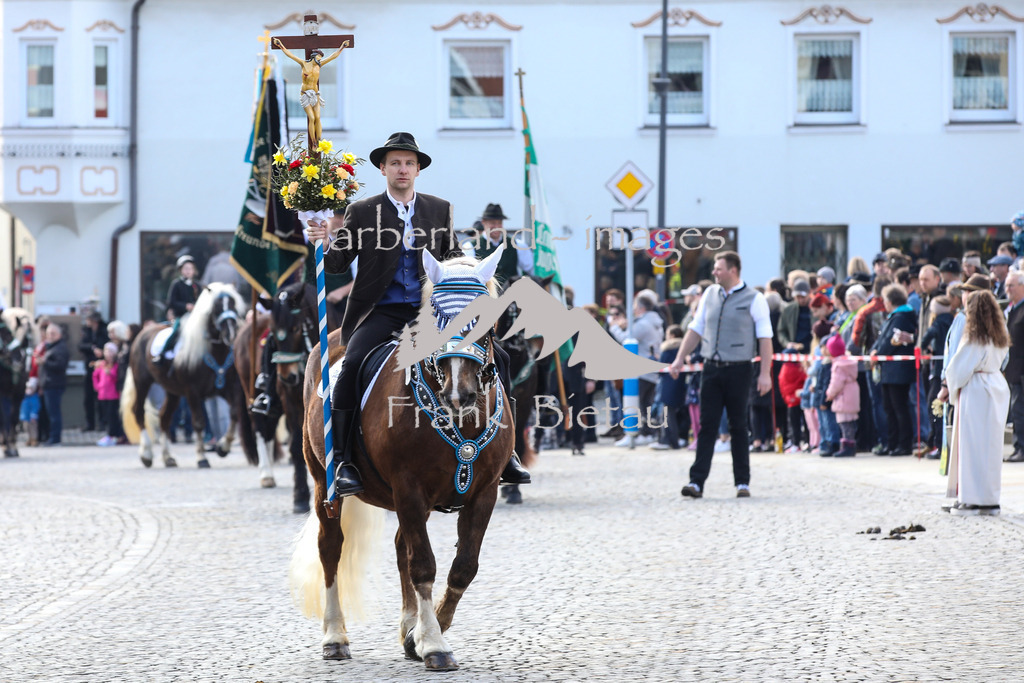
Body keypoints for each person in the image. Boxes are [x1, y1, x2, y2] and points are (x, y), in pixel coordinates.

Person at [305, 131, 529, 495]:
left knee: (499, 358)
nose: (402, 169)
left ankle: (509, 453)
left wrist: (470, 278)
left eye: (409, 163)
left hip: (433, 313)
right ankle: (345, 462)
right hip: (379, 313)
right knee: (348, 369)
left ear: (418, 170)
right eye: (395, 163)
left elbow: (453, 257)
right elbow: (336, 263)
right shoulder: (361, 211)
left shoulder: (439, 209)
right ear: (383, 168)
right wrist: (319, 240)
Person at [668, 251, 774, 499]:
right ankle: (696, 482)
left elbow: (765, 338)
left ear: (733, 270)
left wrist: (765, 374)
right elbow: (696, 328)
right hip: (712, 367)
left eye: (719, 268)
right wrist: (678, 357)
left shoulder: (754, 298)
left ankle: (742, 482)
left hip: (740, 368)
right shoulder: (710, 294)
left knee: (738, 425)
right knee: (707, 425)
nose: (714, 272)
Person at [945, 290, 1011, 515]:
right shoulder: (999, 336)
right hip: (996, 386)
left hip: (977, 389)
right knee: (991, 447)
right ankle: (990, 496)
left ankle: (972, 497)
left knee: (972, 445)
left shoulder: (974, 338)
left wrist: (950, 388)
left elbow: (959, 368)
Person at [608, 291, 664, 446]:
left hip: (641, 370)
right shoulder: (655, 322)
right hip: (650, 369)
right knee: (646, 404)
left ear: (640, 307)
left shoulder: (644, 324)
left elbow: (627, 340)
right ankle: (647, 432)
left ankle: (637, 432)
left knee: (637, 404)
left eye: (634, 305)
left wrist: (614, 328)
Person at [870, 284, 917, 456]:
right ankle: (892, 442)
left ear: (889, 301)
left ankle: (903, 444)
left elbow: (890, 340)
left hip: (899, 371)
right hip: (890, 371)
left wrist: (878, 353)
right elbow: (882, 338)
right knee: (889, 407)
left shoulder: (901, 317)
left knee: (899, 407)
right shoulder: (894, 317)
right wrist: (875, 351)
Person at [273, 38, 349, 145]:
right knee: (312, 117)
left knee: (318, 117)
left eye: (321, 57)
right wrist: (281, 45)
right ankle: (313, 142)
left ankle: (318, 141)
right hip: (305, 94)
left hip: (315, 94)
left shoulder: (319, 65)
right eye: (319, 56)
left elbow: (333, 56)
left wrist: (342, 47)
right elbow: (291, 55)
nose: (320, 58)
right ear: (314, 56)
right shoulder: (304, 64)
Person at [920, 296, 954, 459]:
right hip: (947, 367)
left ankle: (939, 446)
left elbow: (926, 337)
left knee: (934, 405)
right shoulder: (953, 320)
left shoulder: (938, 322)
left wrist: (925, 347)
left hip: (939, 369)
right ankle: (939, 444)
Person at [467, 203, 533, 285]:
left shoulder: (517, 245)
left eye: (499, 223)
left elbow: (532, 269)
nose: (497, 226)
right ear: (484, 222)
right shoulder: (470, 248)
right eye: (493, 223)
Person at [158, 254, 201, 366]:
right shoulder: (176, 284)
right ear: (181, 270)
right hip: (181, 316)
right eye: (185, 269)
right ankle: (162, 353)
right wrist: (185, 306)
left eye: (190, 268)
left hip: (195, 317)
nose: (188, 271)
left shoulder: (197, 285)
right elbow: (171, 302)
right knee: (175, 332)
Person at [825, 334, 859, 457]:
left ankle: (847, 447)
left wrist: (830, 393)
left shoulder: (839, 365)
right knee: (850, 422)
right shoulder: (848, 363)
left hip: (843, 397)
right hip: (852, 395)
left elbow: (836, 383)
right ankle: (851, 445)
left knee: (844, 423)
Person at [1002, 270, 1024, 462]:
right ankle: (1019, 447)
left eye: (1012, 285)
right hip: (1014, 371)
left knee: (1020, 410)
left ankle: (1021, 448)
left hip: (1021, 370)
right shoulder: (1011, 309)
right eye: (1006, 285)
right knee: (1017, 411)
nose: (1007, 289)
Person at [39, 324, 69, 446]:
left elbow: (60, 366)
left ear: (59, 335)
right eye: (48, 333)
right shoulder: (50, 347)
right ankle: (50, 437)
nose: (50, 336)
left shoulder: (60, 348)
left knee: (54, 413)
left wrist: (45, 362)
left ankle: (55, 438)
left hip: (54, 385)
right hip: (48, 384)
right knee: (49, 413)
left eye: (53, 333)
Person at [78, 310, 109, 432]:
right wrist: (92, 348)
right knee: (88, 398)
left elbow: (108, 345)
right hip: (90, 368)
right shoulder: (87, 331)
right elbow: (81, 346)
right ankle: (90, 423)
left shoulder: (104, 331)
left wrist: (102, 352)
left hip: (102, 368)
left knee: (100, 397)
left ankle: (102, 422)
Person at [93, 342, 123, 446]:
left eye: (111, 351)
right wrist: (97, 386)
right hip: (102, 395)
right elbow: (95, 375)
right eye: (106, 351)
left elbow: (118, 378)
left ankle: (113, 435)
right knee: (105, 416)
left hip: (113, 395)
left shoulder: (116, 365)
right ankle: (109, 434)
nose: (108, 354)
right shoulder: (101, 364)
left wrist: (110, 374)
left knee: (112, 416)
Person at [778, 279, 812, 352]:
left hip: (812, 348)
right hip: (793, 348)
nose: (800, 300)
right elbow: (781, 331)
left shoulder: (816, 308)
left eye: (803, 297)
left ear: (809, 293)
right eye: (797, 297)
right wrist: (787, 343)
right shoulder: (788, 310)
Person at [18, 377, 40, 449]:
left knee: (33, 428)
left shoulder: (35, 398)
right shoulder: (24, 397)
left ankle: (34, 439)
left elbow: (36, 407)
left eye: (30, 388)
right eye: (27, 388)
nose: (28, 390)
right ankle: (29, 439)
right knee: (26, 428)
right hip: (25, 416)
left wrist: (34, 415)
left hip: (32, 417)